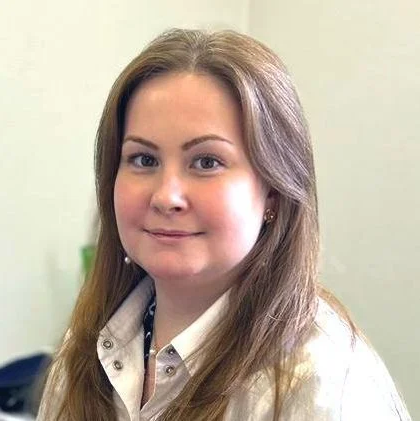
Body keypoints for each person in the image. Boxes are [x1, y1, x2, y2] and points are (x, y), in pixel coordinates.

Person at [37, 28, 412, 421]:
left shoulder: (322, 386)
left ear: (273, 192)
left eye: (206, 162)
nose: (166, 196)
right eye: (144, 160)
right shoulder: (89, 347)